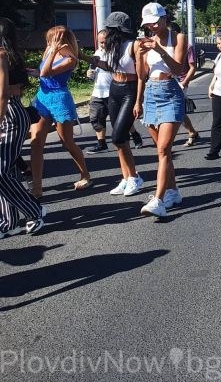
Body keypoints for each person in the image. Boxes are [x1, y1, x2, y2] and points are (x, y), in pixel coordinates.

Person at [135, 2, 188, 218]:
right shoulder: (147, 41)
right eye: (149, 24)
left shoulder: (178, 38)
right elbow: (142, 75)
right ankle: (173, 192)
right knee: (161, 150)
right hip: (151, 94)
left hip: (170, 92)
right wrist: (139, 55)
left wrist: (158, 50)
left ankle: (158, 200)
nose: (152, 28)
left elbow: (179, 69)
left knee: (164, 149)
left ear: (165, 19)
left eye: (155, 23)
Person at [29, 25, 91, 199]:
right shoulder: (49, 51)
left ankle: (85, 174)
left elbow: (46, 71)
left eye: (53, 39)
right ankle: (37, 185)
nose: (50, 42)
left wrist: (51, 54)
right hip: (43, 98)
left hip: (60, 100)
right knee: (36, 142)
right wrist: (32, 72)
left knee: (67, 143)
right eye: (49, 39)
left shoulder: (70, 58)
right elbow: (42, 73)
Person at [92, 12, 145, 198]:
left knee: (117, 137)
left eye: (109, 28)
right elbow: (112, 67)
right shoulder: (115, 46)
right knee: (120, 140)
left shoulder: (134, 45)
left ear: (117, 30)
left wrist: (139, 100)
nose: (106, 32)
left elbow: (141, 76)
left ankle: (135, 177)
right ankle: (126, 177)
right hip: (114, 89)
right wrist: (92, 61)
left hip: (130, 90)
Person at [0, 18, 45, 237]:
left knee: (0, 171)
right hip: (10, 113)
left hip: (9, 116)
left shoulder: (2, 57)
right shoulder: (9, 56)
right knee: (6, 171)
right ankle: (9, 221)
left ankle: (35, 210)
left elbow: (2, 96)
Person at [169, 22, 200, 146]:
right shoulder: (167, 46)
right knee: (177, 110)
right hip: (169, 81)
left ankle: (170, 139)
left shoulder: (187, 46)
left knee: (174, 110)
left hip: (181, 81)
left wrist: (184, 82)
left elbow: (193, 67)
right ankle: (192, 132)